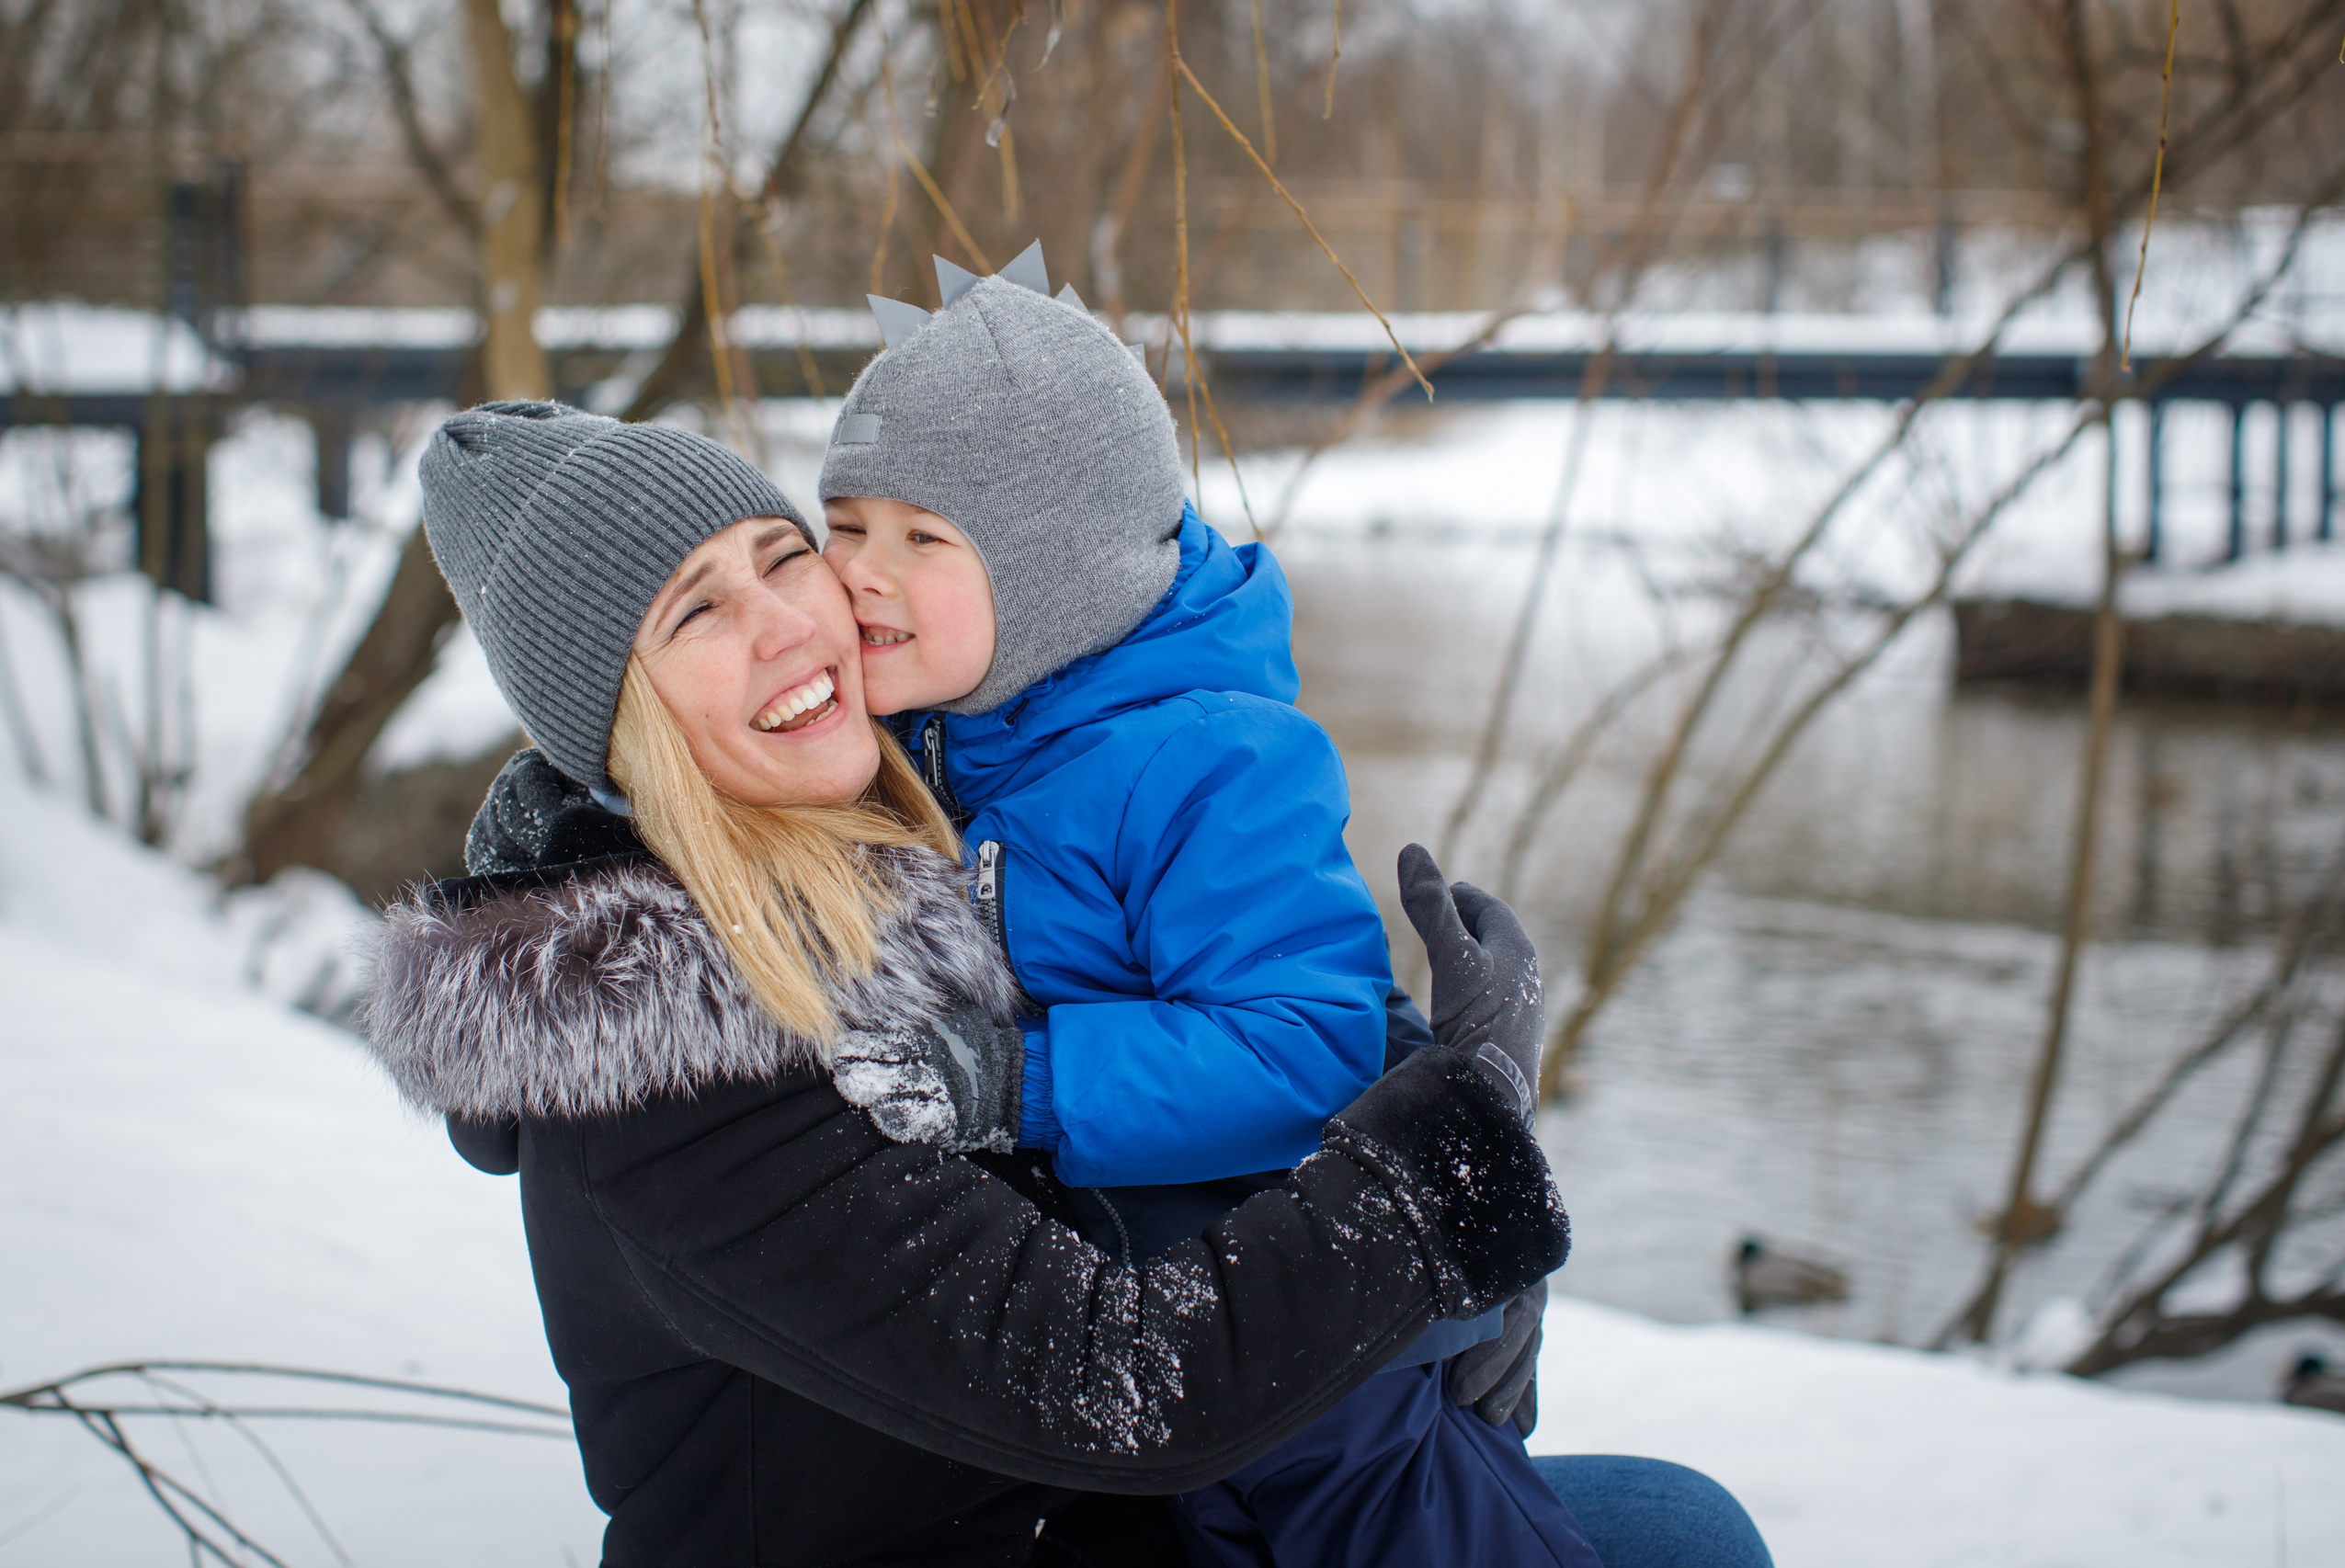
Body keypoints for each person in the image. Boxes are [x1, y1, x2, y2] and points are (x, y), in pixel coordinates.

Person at [360, 401, 1576, 1566]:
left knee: (1676, 1522)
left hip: (1092, 1525)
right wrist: (1451, 1168)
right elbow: (1129, 1380)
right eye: (697, 614)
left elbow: (1189, 990)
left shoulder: (893, 848)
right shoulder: (670, 1074)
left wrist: (1438, 1133)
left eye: (785, 558)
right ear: (622, 726)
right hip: (1040, 1509)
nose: (786, 625)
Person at [816, 243, 1584, 1567]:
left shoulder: (1205, 757)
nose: (862, 572)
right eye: (845, 525)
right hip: (1158, 1341)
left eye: (923, 538)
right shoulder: (959, 741)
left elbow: (1306, 1041)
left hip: (1310, 1349)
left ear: (1058, 575)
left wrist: (1025, 1082)